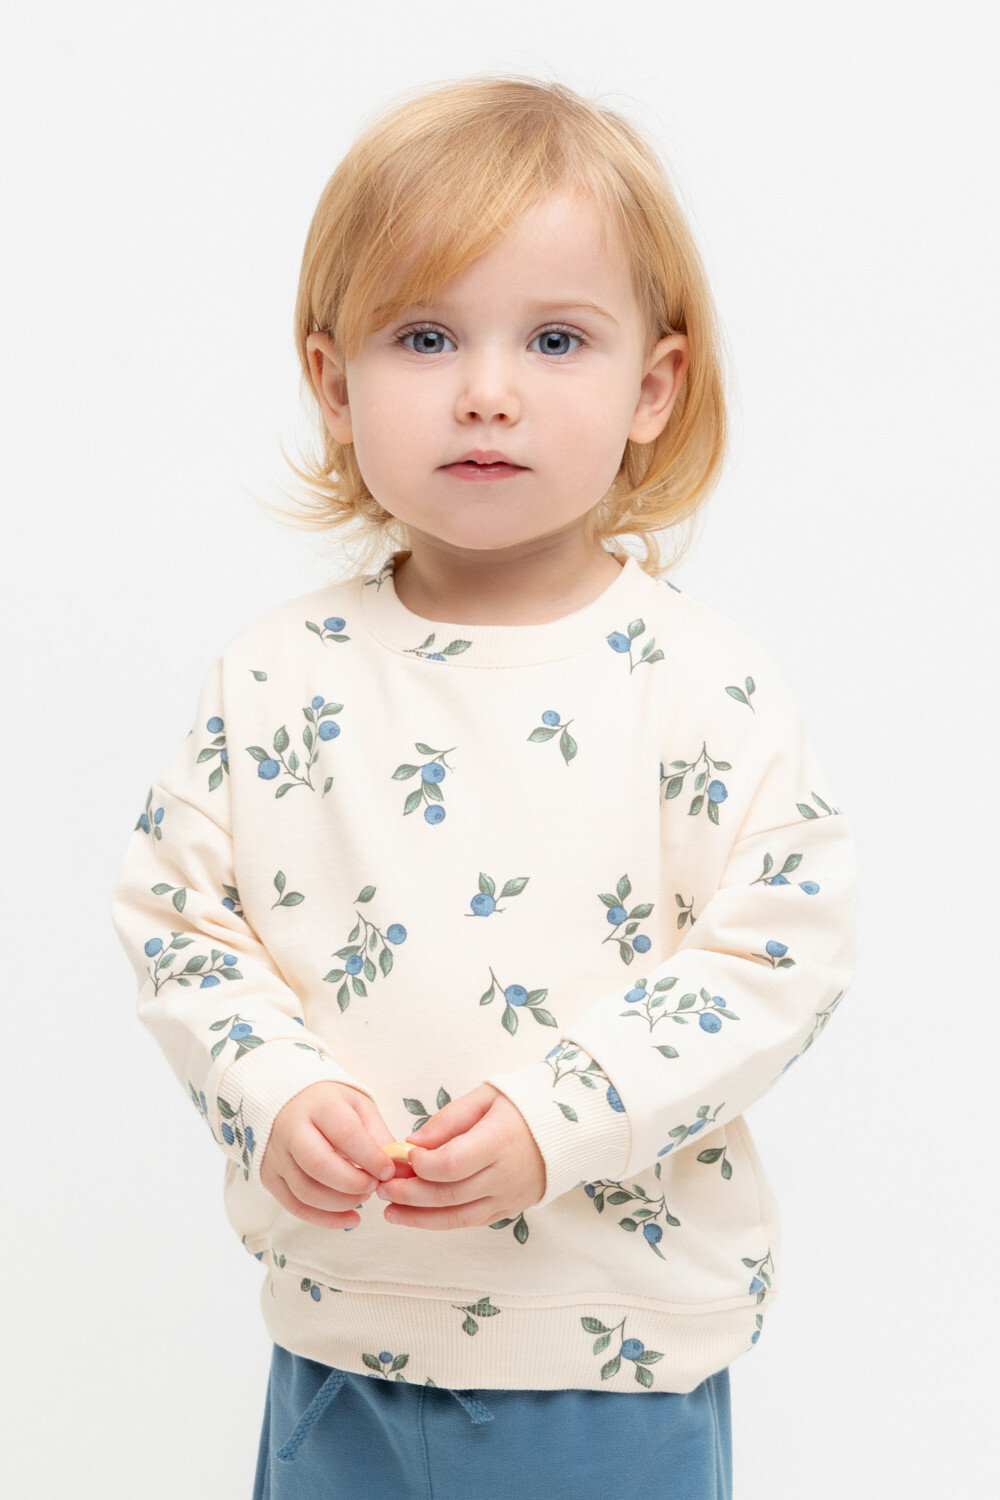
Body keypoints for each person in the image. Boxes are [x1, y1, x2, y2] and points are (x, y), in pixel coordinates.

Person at [110, 74, 856, 1500]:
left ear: (653, 387)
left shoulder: (697, 684)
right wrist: (274, 1088)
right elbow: (180, 925)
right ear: (334, 385)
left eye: (556, 338)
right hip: (345, 1340)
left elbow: (779, 953)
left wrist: (561, 1116)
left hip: (610, 1359)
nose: (488, 390)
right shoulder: (273, 679)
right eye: (426, 335)